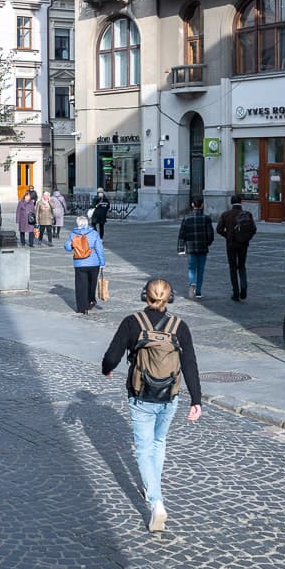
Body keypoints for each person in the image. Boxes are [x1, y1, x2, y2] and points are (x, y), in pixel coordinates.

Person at [101, 278, 202, 533]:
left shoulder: (132, 322)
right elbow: (190, 364)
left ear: (144, 296)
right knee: (159, 443)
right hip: (169, 396)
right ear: (170, 298)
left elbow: (112, 356)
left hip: (141, 395)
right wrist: (196, 400)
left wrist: (107, 370)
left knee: (144, 449)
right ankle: (153, 488)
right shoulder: (180, 326)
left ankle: (156, 502)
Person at [216, 194, 255, 302]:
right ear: (241, 202)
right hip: (243, 244)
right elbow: (253, 229)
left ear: (231, 202)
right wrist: (246, 238)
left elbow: (219, 229)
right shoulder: (247, 214)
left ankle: (236, 293)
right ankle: (244, 288)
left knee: (233, 268)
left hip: (231, 244)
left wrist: (227, 236)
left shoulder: (226, 214)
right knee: (242, 266)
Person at [64, 215, 105, 314]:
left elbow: (67, 247)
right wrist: (102, 263)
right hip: (94, 263)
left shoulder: (73, 234)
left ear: (78, 223)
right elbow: (100, 249)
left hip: (79, 263)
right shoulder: (94, 233)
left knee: (81, 285)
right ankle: (91, 300)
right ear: (87, 223)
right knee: (92, 283)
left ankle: (82, 308)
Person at [177, 197, 215, 299]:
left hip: (190, 248)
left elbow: (182, 235)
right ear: (202, 205)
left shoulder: (187, 218)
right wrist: (207, 243)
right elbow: (211, 235)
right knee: (201, 270)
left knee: (191, 268)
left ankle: (191, 284)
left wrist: (181, 249)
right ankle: (198, 292)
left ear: (192, 205)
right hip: (202, 248)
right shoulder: (206, 218)